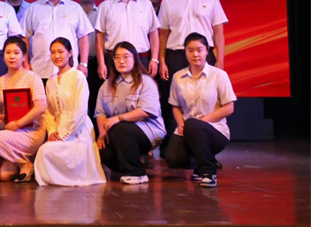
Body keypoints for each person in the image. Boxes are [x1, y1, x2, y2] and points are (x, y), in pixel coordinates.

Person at [157, 0, 228, 154]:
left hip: (204, 55)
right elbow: (163, 33)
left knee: (208, 100)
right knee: (173, 102)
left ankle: (205, 149)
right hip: (175, 55)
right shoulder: (168, 1)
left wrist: (220, 59)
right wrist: (162, 60)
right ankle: (173, 147)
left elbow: (218, 31)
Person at [165, 33, 236, 188]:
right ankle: (198, 164)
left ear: (207, 51)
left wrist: (201, 122)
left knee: (194, 125)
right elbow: (175, 106)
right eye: (190, 50)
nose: (195, 54)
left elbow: (229, 107)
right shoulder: (178, 77)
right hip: (187, 129)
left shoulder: (219, 75)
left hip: (214, 130)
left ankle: (208, 172)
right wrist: (181, 125)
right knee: (173, 158)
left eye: (199, 50)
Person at [34, 38, 105, 187]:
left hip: (78, 131)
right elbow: (49, 111)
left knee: (46, 151)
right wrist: (52, 131)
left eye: (60, 52)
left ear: (70, 53)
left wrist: (65, 133)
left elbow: (80, 110)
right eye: (53, 52)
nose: (57, 56)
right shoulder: (51, 81)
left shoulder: (78, 76)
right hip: (57, 129)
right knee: (43, 151)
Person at [95, 42, 165, 184]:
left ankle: (137, 173)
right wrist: (102, 133)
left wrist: (119, 118)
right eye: (117, 57)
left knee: (120, 128)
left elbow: (146, 111)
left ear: (135, 59)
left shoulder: (146, 81)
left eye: (126, 57)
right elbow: (100, 112)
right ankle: (133, 162)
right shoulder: (106, 85)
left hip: (149, 130)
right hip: (121, 133)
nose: (121, 61)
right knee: (102, 151)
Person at [0, 37, 47, 183]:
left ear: (24, 56)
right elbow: (3, 110)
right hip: (11, 131)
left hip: (31, 131)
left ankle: (25, 163)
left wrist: (18, 123)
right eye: (8, 52)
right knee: (4, 176)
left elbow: (41, 107)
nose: (12, 56)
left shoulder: (32, 77)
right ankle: (24, 163)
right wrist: (1, 118)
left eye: (16, 53)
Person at [24, 0, 93, 83]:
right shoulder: (33, 8)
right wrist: (25, 62)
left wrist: (83, 63)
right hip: (39, 69)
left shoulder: (74, 8)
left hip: (69, 70)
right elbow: (24, 37)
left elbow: (83, 37)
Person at [95, 0, 160, 80]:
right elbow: (99, 37)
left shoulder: (146, 4)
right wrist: (101, 63)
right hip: (115, 60)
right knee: (115, 91)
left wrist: (154, 59)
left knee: (142, 90)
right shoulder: (105, 6)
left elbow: (153, 33)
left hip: (141, 59)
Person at [76, 0, 101, 125]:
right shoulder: (73, 11)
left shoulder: (101, 12)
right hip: (78, 62)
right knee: (79, 97)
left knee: (97, 97)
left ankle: (97, 130)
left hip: (99, 62)